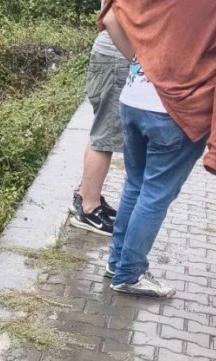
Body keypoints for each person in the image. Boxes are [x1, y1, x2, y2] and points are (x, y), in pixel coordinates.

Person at [99, 0, 216, 298]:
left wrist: (143, 61)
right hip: (178, 113)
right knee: (155, 194)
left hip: (133, 99)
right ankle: (129, 274)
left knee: (135, 184)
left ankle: (117, 263)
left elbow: (109, 18)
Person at [70, 0, 130, 236]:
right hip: (117, 59)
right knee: (104, 138)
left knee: (100, 132)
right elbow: (111, 18)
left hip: (108, 57)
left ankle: (86, 195)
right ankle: (89, 209)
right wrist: (135, 56)